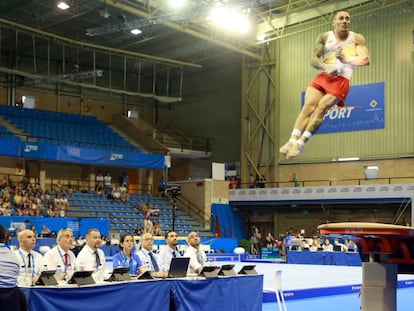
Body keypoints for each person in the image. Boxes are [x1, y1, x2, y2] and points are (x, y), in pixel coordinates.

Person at [280, 10, 369, 159]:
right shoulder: (325, 37)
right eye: (341, 18)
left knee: (320, 109)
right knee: (307, 107)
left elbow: (365, 60)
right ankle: (291, 141)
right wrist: (326, 67)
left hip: (341, 81)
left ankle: (300, 143)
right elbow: (314, 59)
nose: (345, 21)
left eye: (347, 19)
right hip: (324, 76)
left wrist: (347, 60)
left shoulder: (357, 39)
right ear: (333, 22)